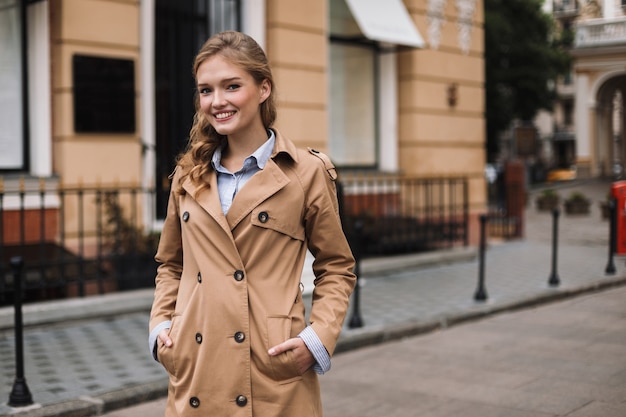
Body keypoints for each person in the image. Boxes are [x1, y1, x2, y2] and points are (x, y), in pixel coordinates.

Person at [148, 30, 356, 416]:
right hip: (197, 367)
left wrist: (317, 339)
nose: (217, 101)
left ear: (263, 89)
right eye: (206, 90)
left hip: (270, 367)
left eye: (232, 86)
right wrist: (161, 326)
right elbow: (171, 265)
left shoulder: (305, 173)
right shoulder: (188, 175)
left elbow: (337, 267)